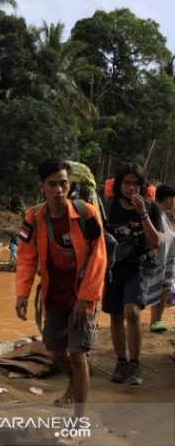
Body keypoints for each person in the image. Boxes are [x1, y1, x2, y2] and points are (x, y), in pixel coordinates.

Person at [15, 159, 107, 418]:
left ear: (70, 185)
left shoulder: (86, 214)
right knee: (56, 349)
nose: (58, 190)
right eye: (52, 184)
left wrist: (86, 298)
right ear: (42, 186)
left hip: (82, 295)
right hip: (53, 294)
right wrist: (22, 293)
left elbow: (99, 258)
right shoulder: (33, 217)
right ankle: (75, 382)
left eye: (63, 183)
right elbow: (26, 257)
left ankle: (80, 418)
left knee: (78, 356)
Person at [102, 163, 163, 385]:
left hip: (140, 266)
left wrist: (142, 213)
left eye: (136, 184)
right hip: (113, 267)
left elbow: (156, 242)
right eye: (127, 183)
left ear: (142, 186)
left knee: (133, 312)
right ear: (119, 185)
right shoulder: (107, 208)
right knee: (116, 315)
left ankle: (135, 364)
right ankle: (121, 362)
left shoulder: (152, 208)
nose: (131, 188)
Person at [148, 184, 175, 332]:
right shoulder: (157, 213)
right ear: (169, 199)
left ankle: (156, 322)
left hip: (166, 261)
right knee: (159, 290)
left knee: (163, 290)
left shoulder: (161, 214)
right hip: (160, 261)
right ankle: (155, 322)